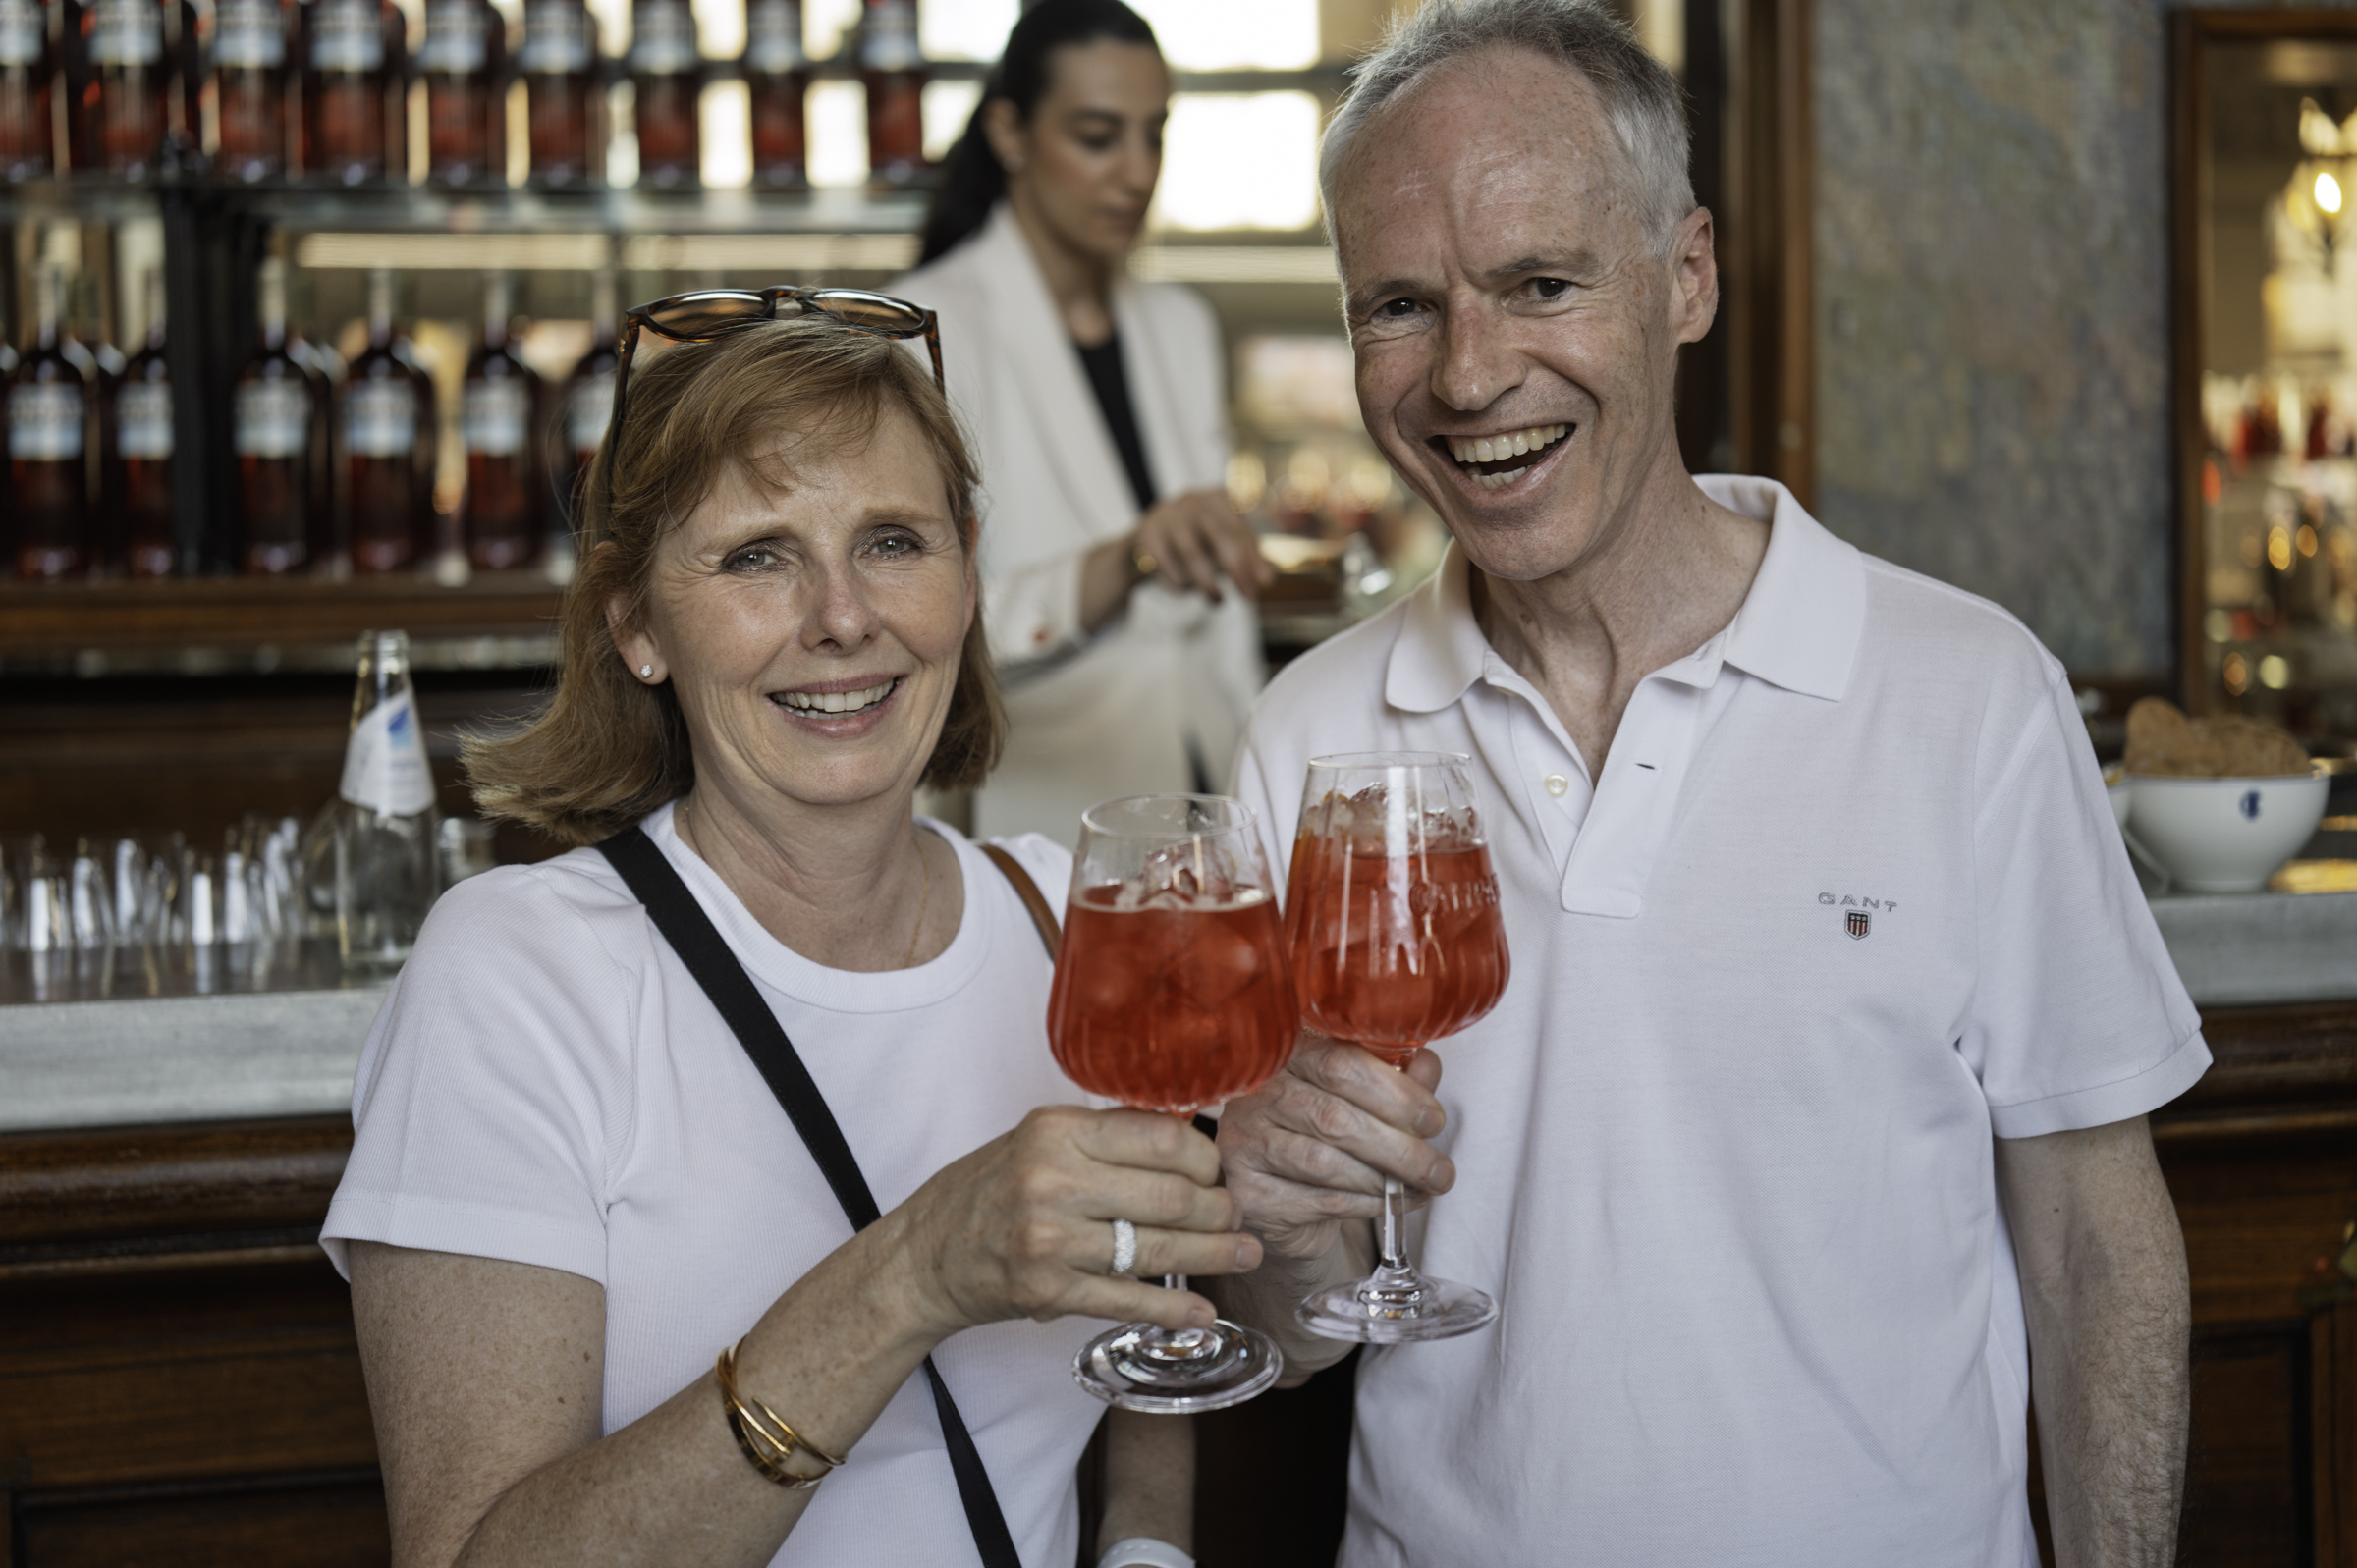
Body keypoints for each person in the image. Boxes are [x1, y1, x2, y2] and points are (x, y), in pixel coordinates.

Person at [1210, 3, 2206, 1564]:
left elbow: (2096, 1246)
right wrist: (1271, 1211)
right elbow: (1306, 1328)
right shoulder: (1310, 737)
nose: (1468, 376)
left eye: (1541, 285)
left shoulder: (1966, 691)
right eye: (1399, 305)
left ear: (1687, 278)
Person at [319, 312, 1255, 1568]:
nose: (842, 617)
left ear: (967, 574)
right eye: (758, 556)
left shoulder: (1069, 924)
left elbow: (1157, 1325)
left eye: (892, 542)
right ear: (637, 625)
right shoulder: (518, 976)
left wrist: (1148, 1549)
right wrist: (909, 1278)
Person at [894, 0, 1271, 844]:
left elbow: (1222, 625)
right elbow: (909, 617)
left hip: (1213, 789)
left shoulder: (1181, 325)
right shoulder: (924, 329)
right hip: (1039, 807)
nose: (1137, 172)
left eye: (1155, 136)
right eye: (1099, 137)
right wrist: (1134, 555)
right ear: (1011, 133)